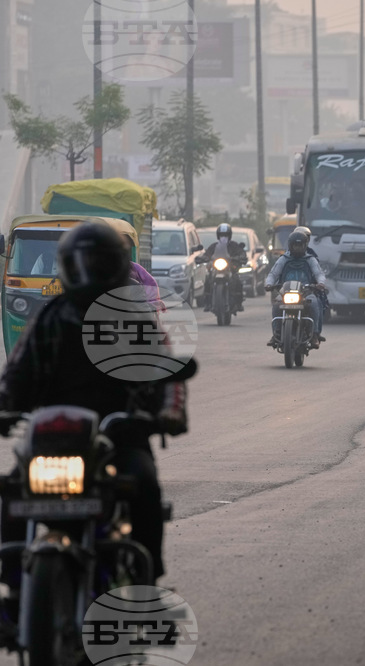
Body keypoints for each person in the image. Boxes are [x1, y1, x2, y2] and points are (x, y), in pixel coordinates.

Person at [0, 223, 190, 622]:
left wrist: (168, 413)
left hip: (119, 434)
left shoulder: (136, 319)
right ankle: (16, 590)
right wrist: (5, 406)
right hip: (55, 439)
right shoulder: (51, 315)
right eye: (81, 264)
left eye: (98, 264)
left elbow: (166, 374)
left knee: (144, 489)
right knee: (12, 494)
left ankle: (146, 588)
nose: (89, 273)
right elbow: (17, 373)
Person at [265, 230, 327, 348]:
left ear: (305, 246)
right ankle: (276, 333)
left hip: (306, 291)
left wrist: (320, 283)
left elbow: (319, 274)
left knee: (314, 303)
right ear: (290, 245)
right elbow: (273, 274)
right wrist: (269, 284)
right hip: (286, 291)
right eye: (295, 245)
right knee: (277, 305)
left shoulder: (310, 259)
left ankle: (314, 334)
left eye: (300, 245)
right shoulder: (284, 259)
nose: (298, 248)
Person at [200, 223, 247, 313]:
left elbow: (241, 253)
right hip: (217, 269)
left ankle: (238, 303)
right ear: (218, 235)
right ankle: (207, 302)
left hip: (229, 269)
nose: (223, 237)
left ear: (229, 235)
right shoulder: (214, 246)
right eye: (222, 235)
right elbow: (207, 254)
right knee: (208, 279)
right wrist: (203, 258)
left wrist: (240, 257)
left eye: (225, 235)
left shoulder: (234, 245)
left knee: (237, 279)